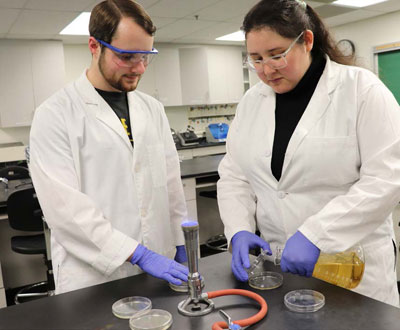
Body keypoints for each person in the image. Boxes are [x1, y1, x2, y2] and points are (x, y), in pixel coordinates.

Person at [217, 0, 400, 307]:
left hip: (351, 270)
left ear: (307, 41)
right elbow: (235, 176)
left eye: (276, 55)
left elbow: (387, 178)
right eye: (256, 59)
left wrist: (316, 234)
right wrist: (238, 230)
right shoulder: (251, 102)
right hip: (280, 270)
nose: (266, 70)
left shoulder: (360, 90)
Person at [29, 0, 189, 294]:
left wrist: (180, 241)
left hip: (160, 267)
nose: (139, 68)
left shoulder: (151, 108)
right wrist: (137, 253)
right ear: (94, 45)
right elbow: (65, 210)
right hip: (95, 277)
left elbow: (170, 183)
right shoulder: (54, 114)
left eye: (146, 56)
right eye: (127, 56)